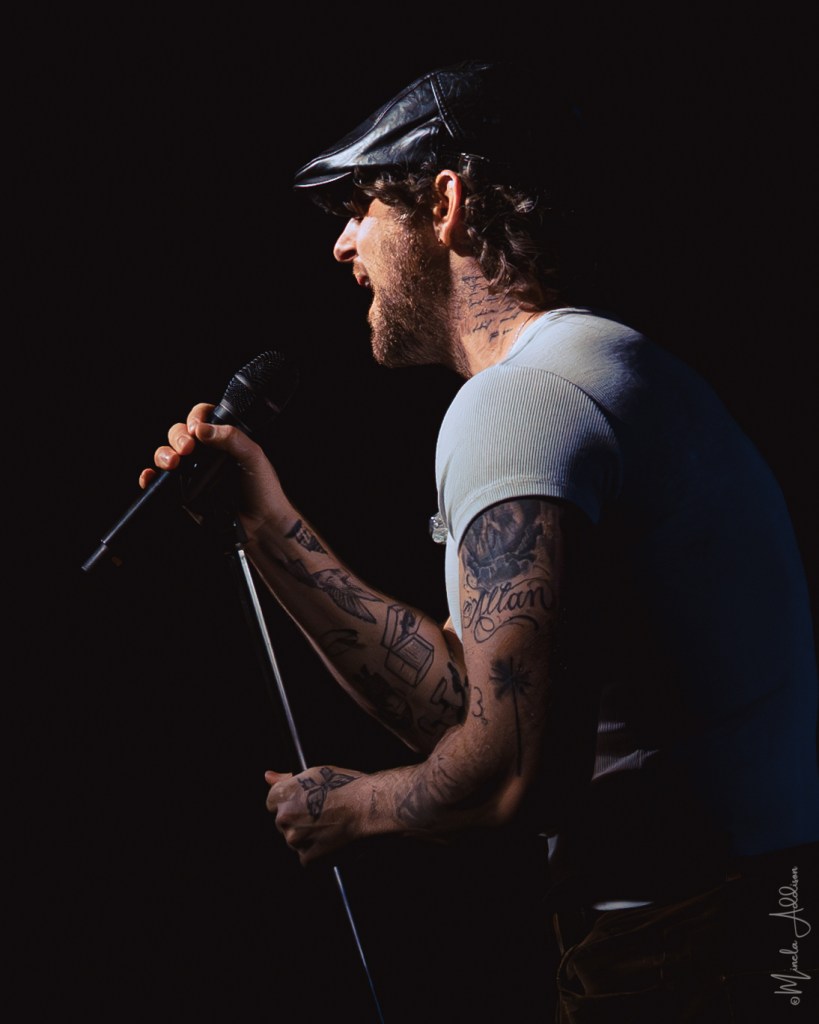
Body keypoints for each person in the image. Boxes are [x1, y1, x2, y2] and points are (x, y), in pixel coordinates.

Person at [140, 61, 819, 1021]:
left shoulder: (520, 403)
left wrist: (350, 807)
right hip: (753, 917)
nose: (342, 243)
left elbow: (509, 775)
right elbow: (475, 704)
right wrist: (266, 522)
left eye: (362, 207)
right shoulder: (603, 372)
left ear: (446, 204)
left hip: (682, 949)